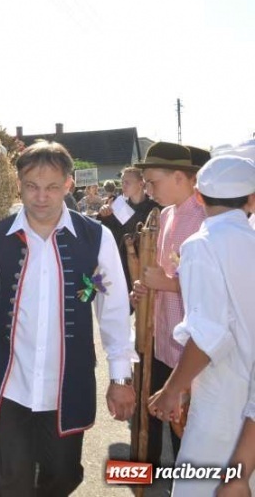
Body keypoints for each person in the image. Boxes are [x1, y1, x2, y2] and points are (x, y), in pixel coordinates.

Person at [0, 140, 135, 497]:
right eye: (32, 187)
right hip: (8, 382)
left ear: (69, 184)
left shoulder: (95, 238)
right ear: (19, 185)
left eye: (52, 187)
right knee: (11, 483)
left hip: (66, 384)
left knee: (64, 475)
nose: (41, 197)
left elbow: (113, 311)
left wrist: (120, 377)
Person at [148, 155, 255, 496]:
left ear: (198, 196)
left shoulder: (201, 244)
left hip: (223, 395)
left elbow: (209, 336)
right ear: (251, 199)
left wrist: (172, 389)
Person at [131, 141, 206, 465]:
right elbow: (162, 274)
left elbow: (217, 290)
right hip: (161, 342)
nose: (148, 190)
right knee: (155, 418)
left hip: (191, 351)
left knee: (187, 432)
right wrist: (146, 289)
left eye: (153, 182)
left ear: (180, 176)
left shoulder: (204, 218)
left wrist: (169, 284)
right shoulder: (165, 216)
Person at [98, 167, 157, 292]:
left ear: (141, 184)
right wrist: (104, 216)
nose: (123, 186)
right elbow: (110, 235)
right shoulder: (117, 206)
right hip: (124, 264)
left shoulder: (154, 208)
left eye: (127, 182)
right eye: (122, 182)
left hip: (148, 263)